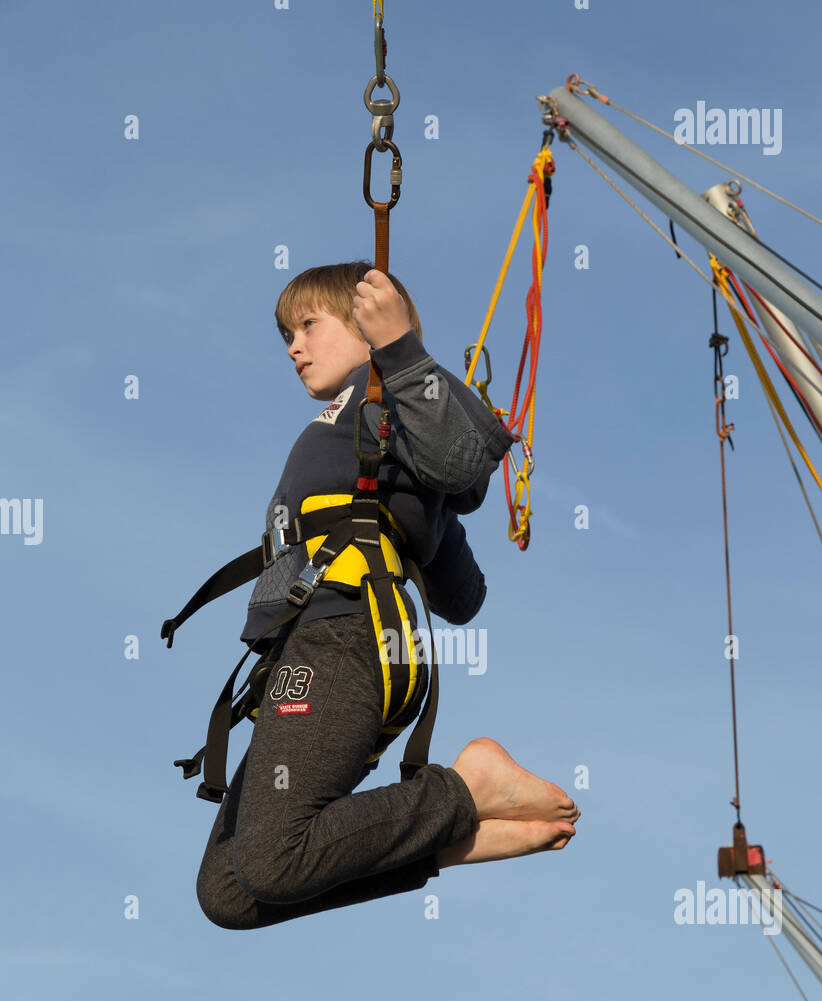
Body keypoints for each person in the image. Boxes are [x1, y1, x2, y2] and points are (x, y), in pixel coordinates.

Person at [195, 261, 579, 929]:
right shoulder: (364, 428)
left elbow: (463, 460)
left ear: (367, 324)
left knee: (274, 860)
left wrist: (399, 346)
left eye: (308, 325)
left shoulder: (386, 394)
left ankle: (466, 789)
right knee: (230, 893)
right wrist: (419, 515)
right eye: (288, 333)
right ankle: (454, 836)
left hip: (341, 641)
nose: (294, 346)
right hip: (321, 648)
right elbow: (463, 597)